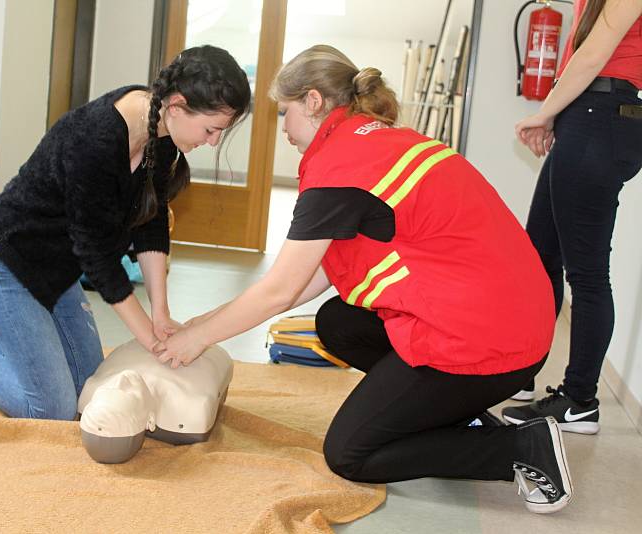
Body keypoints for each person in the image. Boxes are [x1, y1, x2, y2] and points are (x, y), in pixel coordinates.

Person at [154, 45, 573, 514]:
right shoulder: (373, 142)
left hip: (488, 341)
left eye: (285, 112)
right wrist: (199, 325)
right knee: (337, 322)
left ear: (313, 102)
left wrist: (196, 342)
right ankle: (459, 415)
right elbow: (309, 276)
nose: (284, 128)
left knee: (350, 453)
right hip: (511, 320)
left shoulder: (340, 168)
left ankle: (519, 450)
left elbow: (281, 289)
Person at [0, 45, 251, 421]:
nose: (213, 142)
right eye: (211, 130)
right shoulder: (96, 138)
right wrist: (150, 339)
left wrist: (160, 312)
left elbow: (151, 221)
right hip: (5, 263)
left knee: (88, 386)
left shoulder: (161, 135)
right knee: (51, 408)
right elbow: (96, 257)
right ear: (177, 105)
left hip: (58, 273)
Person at [502, 0, 642, 434]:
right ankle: (521, 373)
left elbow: (595, 53)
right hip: (589, 115)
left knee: (587, 274)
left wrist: (545, 113)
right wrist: (557, 114)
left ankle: (579, 400)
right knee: (539, 257)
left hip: (602, 117)